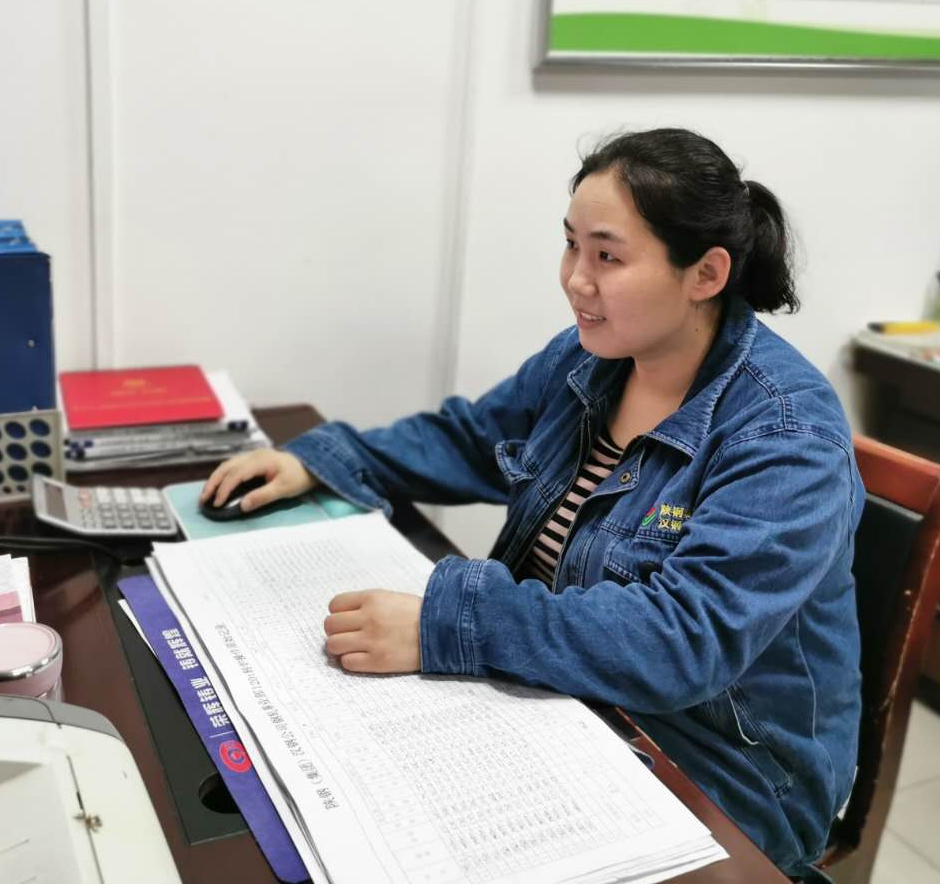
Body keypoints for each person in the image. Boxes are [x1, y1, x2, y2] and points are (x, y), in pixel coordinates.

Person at [200, 127, 863, 877]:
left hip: (724, 771)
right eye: (571, 246)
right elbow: (472, 438)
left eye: (607, 257)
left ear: (705, 274)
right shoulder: (591, 358)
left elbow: (683, 641)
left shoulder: (787, 434)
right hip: (565, 702)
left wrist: (450, 623)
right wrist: (324, 460)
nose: (576, 280)